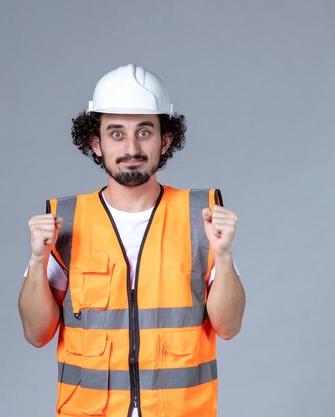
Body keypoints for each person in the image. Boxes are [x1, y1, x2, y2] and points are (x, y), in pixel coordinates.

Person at [19, 64, 245, 417]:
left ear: (165, 140)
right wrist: (36, 262)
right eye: (116, 133)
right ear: (96, 143)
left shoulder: (199, 218)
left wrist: (225, 256)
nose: (131, 147)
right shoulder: (66, 223)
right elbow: (36, 333)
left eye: (144, 131)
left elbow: (228, 327)